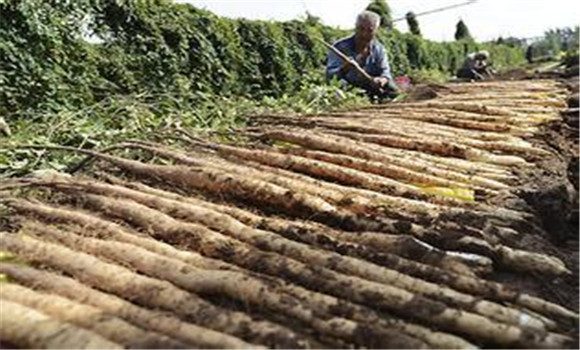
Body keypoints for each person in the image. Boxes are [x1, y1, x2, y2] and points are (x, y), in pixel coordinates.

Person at [326, 11, 399, 100]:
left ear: (376, 31)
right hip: (348, 87)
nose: (364, 34)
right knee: (338, 88)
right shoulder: (340, 47)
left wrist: (380, 80)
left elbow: (386, 73)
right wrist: (345, 68)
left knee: (393, 89)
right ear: (355, 27)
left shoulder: (379, 49)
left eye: (370, 30)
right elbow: (329, 75)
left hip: (370, 87)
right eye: (361, 28)